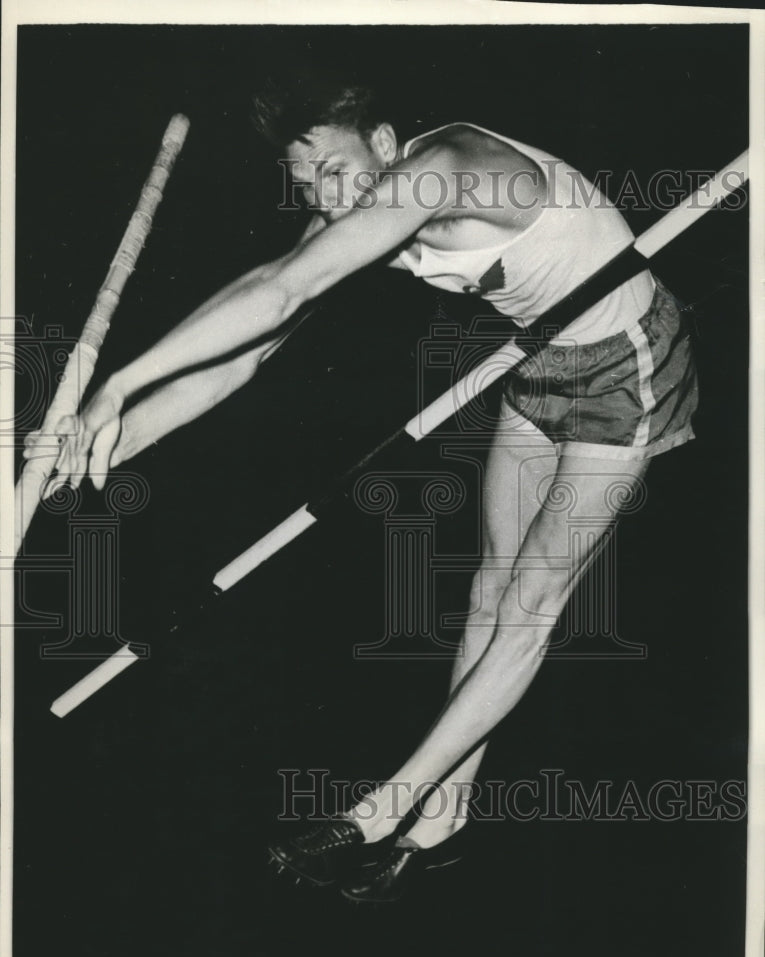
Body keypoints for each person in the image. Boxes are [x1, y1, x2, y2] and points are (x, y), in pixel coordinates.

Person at [36, 79, 698, 903]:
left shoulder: (443, 167)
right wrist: (111, 440)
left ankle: (381, 810)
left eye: (334, 168)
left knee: (532, 600)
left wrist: (116, 384)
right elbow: (250, 345)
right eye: (305, 181)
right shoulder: (356, 205)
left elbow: (283, 291)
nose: (324, 195)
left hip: (626, 365)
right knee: (488, 588)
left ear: (384, 143)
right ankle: (444, 817)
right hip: (539, 360)